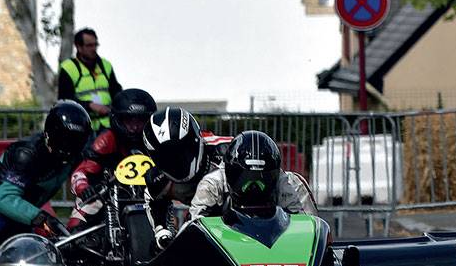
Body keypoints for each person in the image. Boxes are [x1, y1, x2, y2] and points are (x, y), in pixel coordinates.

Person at [0, 101, 92, 266]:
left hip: (26, 218)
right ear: (51, 134)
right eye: (64, 139)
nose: (68, 147)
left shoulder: (76, 156)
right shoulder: (28, 153)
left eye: (75, 141)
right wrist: (41, 218)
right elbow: (5, 199)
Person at [141, 107, 232, 249]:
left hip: (240, 218)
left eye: (180, 152)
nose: (176, 161)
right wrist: (162, 232)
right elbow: (153, 201)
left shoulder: (226, 150)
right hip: (202, 221)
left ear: (195, 140)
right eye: (166, 157)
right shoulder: (157, 180)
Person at [67, 88, 157, 230]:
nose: (135, 126)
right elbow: (81, 171)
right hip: (108, 194)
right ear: (117, 119)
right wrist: (84, 188)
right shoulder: (106, 140)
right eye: (129, 120)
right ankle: (71, 246)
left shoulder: (155, 141)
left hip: (149, 193)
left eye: (141, 120)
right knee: (80, 217)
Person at [189, 130, 318, 220]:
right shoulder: (212, 184)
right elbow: (194, 230)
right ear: (229, 172)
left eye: (262, 178)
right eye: (245, 178)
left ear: (275, 174)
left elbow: (310, 232)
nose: (253, 187)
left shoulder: (292, 185)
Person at [57, 28, 123, 132]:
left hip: (108, 125)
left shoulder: (105, 65)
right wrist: (90, 105)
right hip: (82, 126)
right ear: (78, 47)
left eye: (95, 45)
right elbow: (64, 100)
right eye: (89, 46)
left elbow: (116, 91)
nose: (94, 49)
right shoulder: (68, 68)